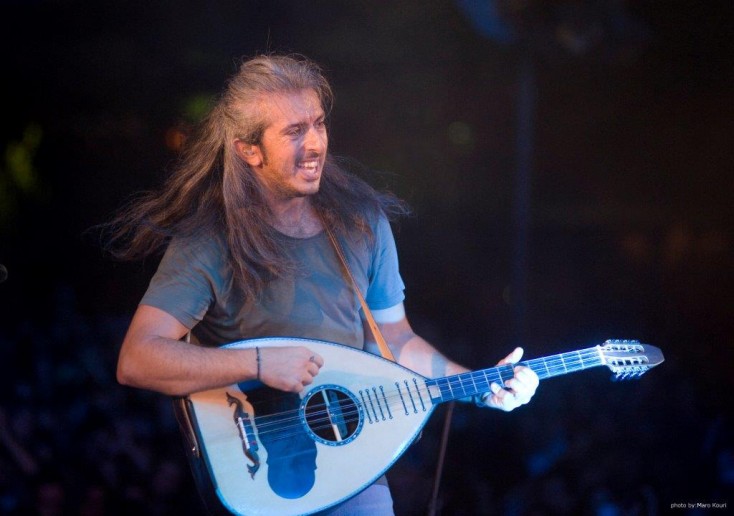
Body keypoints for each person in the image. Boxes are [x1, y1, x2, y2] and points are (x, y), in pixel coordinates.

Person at [104, 53, 539, 515]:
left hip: (351, 468)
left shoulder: (361, 223)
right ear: (249, 150)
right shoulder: (210, 240)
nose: (315, 143)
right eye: (294, 131)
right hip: (256, 472)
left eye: (318, 124)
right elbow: (137, 359)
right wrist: (258, 363)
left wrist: (478, 386)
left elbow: (395, 340)